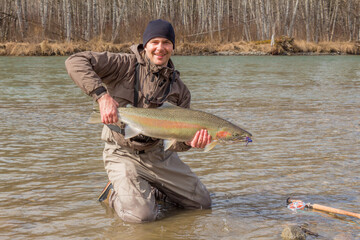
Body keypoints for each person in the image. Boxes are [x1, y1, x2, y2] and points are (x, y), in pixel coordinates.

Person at [65, 19, 212, 223]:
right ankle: (115, 194)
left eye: (166, 43)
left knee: (202, 204)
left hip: (158, 155)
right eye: (155, 42)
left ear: (173, 47)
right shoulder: (122, 65)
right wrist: (102, 97)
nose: (160, 48)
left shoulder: (180, 90)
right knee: (142, 217)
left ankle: (153, 190)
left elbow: (175, 144)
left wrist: (188, 142)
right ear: (145, 45)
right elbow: (75, 61)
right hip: (122, 152)